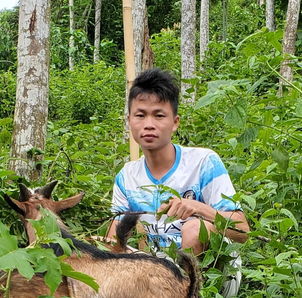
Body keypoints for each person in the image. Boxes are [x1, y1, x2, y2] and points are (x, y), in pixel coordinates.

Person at [107, 68, 250, 256]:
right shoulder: (127, 177)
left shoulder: (203, 163)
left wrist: (198, 208)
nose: (149, 124)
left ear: (175, 122)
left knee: (193, 229)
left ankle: (191, 282)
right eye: (140, 115)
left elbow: (243, 231)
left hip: (213, 274)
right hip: (154, 274)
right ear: (129, 121)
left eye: (159, 116)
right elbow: (114, 240)